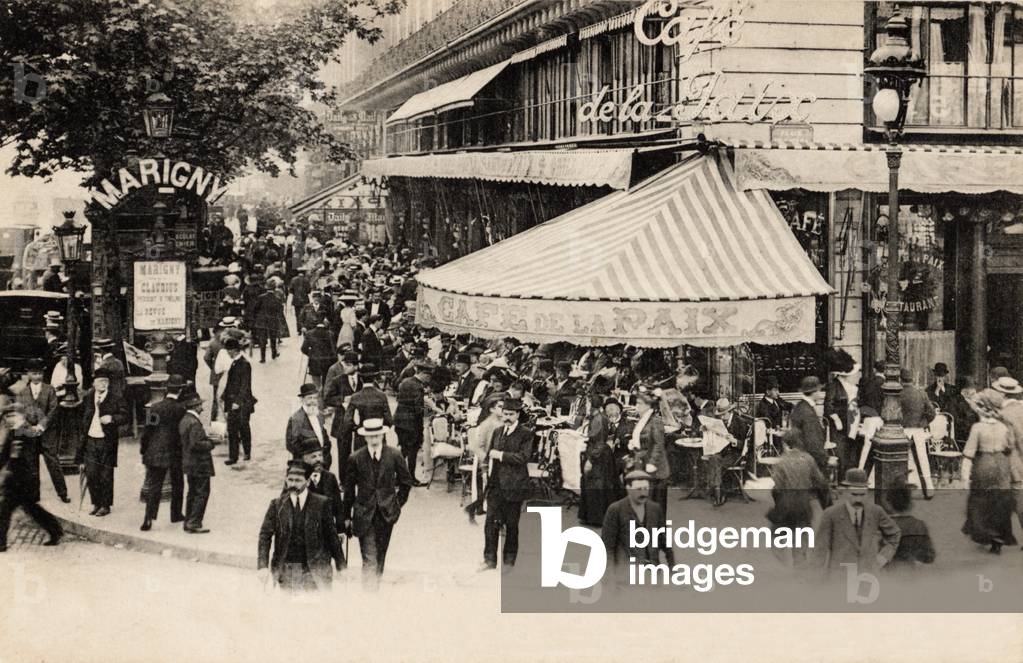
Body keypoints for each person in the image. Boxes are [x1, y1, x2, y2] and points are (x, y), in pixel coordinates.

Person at [342, 419, 413, 589]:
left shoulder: (394, 455)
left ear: (382, 435)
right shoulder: (355, 458)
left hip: (386, 515)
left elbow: (406, 483)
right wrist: (346, 517)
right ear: (365, 438)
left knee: (380, 557)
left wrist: (396, 505)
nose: (374, 439)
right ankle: (369, 595)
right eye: (370, 436)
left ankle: (375, 589)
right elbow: (349, 490)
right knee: (369, 558)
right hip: (363, 514)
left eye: (377, 435)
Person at [258, 460, 345, 592]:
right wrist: (262, 565)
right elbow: (265, 535)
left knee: (315, 609)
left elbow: (331, 536)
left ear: (308, 482)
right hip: (289, 568)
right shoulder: (277, 505)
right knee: (291, 609)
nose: (293, 484)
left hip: (315, 569)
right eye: (290, 480)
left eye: (298, 480)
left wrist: (341, 566)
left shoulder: (321, 504)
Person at [813, 468, 900, 579]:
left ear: (867, 492)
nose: (858, 499)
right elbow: (819, 550)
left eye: (862, 495)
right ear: (844, 492)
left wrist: (883, 557)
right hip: (839, 578)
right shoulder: (830, 514)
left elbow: (895, 534)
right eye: (854, 494)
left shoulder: (876, 512)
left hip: (868, 579)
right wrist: (814, 580)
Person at [0, 403, 62, 551]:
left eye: (12, 415)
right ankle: (55, 531)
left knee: (7, 509)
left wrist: (19, 474)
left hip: (23, 480)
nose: (8, 419)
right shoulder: (13, 432)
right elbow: (5, 456)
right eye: (7, 416)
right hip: (15, 480)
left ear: (20, 416)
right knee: (31, 509)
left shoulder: (27, 432)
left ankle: (1, 544)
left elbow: (28, 458)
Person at [961, 389, 1017, 553]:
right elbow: (1010, 447)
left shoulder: (978, 428)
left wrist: (964, 476)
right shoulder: (1003, 427)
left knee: (980, 499)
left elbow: (969, 453)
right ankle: (999, 536)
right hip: (1001, 464)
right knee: (999, 500)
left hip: (984, 464)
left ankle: (985, 531)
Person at [481, 398, 533, 570]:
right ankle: (489, 560)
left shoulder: (526, 433)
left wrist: (501, 455)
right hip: (496, 485)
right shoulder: (497, 431)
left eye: (511, 414)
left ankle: (509, 562)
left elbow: (523, 457)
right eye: (505, 414)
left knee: (511, 525)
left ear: (518, 414)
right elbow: (490, 454)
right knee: (490, 524)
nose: (507, 417)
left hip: (514, 486)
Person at [765, 429, 830, 568]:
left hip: (786, 505)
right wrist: (825, 502)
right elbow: (820, 481)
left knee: (777, 538)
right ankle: (799, 567)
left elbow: (777, 487)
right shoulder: (808, 459)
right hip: (803, 505)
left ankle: (784, 564)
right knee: (801, 540)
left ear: (785, 444)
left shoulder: (782, 462)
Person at [75, 367, 128, 516]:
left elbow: (125, 416)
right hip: (90, 440)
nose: (103, 384)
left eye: (106, 381)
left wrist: (112, 418)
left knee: (105, 474)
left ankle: (105, 505)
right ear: (94, 383)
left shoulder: (116, 397)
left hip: (107, 441)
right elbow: (80, 416)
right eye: (100, 381)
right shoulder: (88, 397)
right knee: (91, 473)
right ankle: (96, 503)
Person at [601, 470, 674, 577]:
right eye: (638, 489)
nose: (643, 493)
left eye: (646, 489)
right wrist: (610, 578)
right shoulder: (615, 509)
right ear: (628, 489)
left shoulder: (655, 509)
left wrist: (673, 568)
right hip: (626, 575)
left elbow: (665, 541)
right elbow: (607, 548)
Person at [139, 374, 187, 530]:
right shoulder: (181, 409)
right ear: (180, 391)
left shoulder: (155, 407)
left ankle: (148, 519)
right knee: (178, 483)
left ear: (167, 389)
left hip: (155, 450)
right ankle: (176, 514)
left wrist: (144, 448)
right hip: (175, 452)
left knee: (154, 486)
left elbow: (148, 430)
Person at [16, 358, 67, 503]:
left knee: (53, 463)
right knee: (31, 465)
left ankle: (62, 493)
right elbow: (19, 413)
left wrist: (41, 426)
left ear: (43, 374)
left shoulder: (49, 389)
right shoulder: (22, 392)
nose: (37, 376)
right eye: (34, 373)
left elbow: (53, 409)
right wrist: (29, 427)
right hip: (29, 434)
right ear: (28, 375)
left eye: (39, 373)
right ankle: (34, 495)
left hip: (47, 434)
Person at [395, 362, 440, 487]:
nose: (428, 380)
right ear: (424, 374)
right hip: (411, 423)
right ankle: (410, 478)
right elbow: (417, 408)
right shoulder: (418, 387)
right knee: (413, 451)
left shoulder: (405, 382)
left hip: (400, 420)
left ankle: (398, 477)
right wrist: (431, 411)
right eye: (428, 377)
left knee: (403, 450)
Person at [293, 436, 345, 542]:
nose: (318, 459)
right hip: (303, 536)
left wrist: (340, 530)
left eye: (320, 455)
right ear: (304, 459)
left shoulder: (330, 478)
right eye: (313, 456)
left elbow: (338, 506)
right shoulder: (296, 479)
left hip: (327, 534)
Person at [578, 392, 618, 527]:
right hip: (599, 453)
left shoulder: (598, 420)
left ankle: (597, 518)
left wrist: (590, 460)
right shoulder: (597, 417)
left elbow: (599, 443)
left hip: (598, 456)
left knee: (597, 485)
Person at [702, 397, 751, 507]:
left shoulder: (739, 422)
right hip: (723, 451)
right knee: (713, 458)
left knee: (716, 462)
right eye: (720, 415)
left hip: (736, 454)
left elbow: (746, 445)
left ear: (730, 411)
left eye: (724, 414)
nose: (722, 417)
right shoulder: (720, 422)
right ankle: (718, 491)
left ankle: (718, 493)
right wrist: (706, 430)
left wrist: (734, 441)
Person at [179, 389, 215, 533]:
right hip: (200, 464)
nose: (202, 407)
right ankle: (194, 522)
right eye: (200, 405)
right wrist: (211, 443)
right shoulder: (194, 422)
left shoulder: (185, 420)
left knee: (192, 492)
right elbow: (197, 444)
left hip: (189, 463)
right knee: (201, 493)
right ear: (194, 406)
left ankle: (188, 520)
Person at [627, 390, 669, 514]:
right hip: (643, 464)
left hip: (656, 469)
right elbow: (643, 438)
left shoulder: (655, 420)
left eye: (639, 404)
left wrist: (652, 463)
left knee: (655, 504)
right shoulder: (644, 419)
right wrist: (634, 444)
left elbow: (658, 444)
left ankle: (656, 531)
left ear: (648, 406)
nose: (637, 406)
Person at [992, 376, 1023, 537]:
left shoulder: (1003, 414)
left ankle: (999, 538)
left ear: (1002, 394)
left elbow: (1008, 442)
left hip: (1010, 461)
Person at [900, 368, 936, 498]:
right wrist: (923, 422)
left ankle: (907, 490)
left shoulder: (898, 394)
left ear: (901, 379)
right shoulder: (921, 393)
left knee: (904, 460)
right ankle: (929, 489)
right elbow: (931, 413)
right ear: (912, 379)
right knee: (923, 459)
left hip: (903, 431)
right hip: (919, 431)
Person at [887, 477, 936, 571]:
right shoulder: (919, 525)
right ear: (910, 504)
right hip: (909, 573)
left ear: (889, 503)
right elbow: (929, 557)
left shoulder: (882, 525)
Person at [221, 337, 256, 466]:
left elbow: (245, 386)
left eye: (228, 350)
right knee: (232, 429)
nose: (227, 353)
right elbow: (231, 383)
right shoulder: (235, 363)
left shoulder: (244, 364)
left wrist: (238, 401)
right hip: (232, 402)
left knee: (243, 427)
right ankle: (233, 456)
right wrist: (224, 395)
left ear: (234, 350)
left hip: (242, 403)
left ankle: (247, 451)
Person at [285, 383, 332, 472]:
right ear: (302, 400)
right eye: (309, 398)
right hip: (306, 465)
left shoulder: (319, 415)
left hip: (323, 462)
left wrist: (326, 452)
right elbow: (291, 444)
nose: (313, 401)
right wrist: (307, 457)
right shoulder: (296, 419)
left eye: (315, 398)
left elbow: (324, 435)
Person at [789, 376, 827, 473]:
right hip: (810, 462)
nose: (820, 393)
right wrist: (824, 459)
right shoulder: (807, 412)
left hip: (802, 459)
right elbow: (812, 441)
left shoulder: (800, 406)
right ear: (814, 392)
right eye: (819, 390)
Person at [252, 281, 283, 362]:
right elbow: (280, 310)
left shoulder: (261, 297)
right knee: (273, 338)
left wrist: (256, 317)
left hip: (262, 321)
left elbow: (255, 308)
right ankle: (274, 354)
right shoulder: (277, 298)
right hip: (273, 321)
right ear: (274, 288)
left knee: (262, 339)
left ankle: (263, 358)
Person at [301, 321, 335, 389]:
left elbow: (303, 348)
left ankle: (317, 394)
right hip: (327, 362)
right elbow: (333, 350)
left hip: (314, 362)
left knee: (316, 383)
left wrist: (311, 354)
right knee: (326, 383)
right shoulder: (330, 334)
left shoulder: (309, 333)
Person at [93, 338, 127, 402]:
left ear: (101, 351)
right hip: (120, 396)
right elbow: (123, 382)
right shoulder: (119, 362)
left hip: (109, 399)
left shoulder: (103, 365)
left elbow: (101, 386)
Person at [289, 266, 312, 330]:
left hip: (296, 300)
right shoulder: (306, 280)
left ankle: (298, 329)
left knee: (297, 314)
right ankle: (304, 327)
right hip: (305, 300)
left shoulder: (293, 279)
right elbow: (309, 290)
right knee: (305, 314)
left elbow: (291, 290)